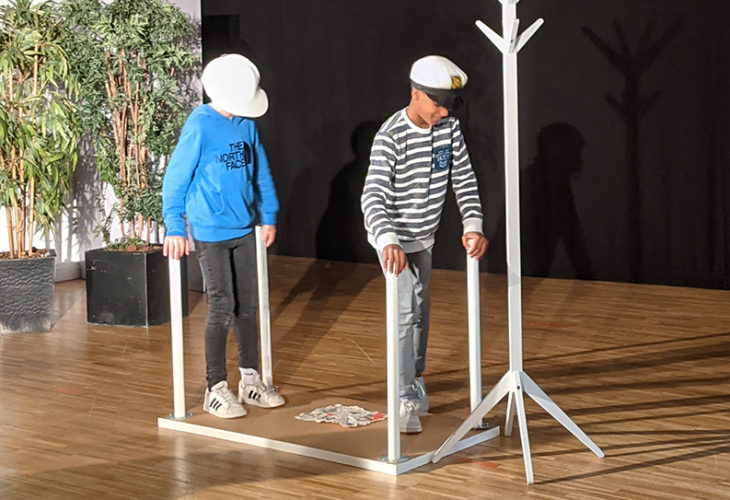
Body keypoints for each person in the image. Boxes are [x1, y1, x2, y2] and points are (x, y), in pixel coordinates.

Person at [361, 55, 488, 433]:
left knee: (420, 310)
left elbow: (463, 178)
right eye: (437, 104)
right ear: (415, 94)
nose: (444, 112)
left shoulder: (449, 129)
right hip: (393, 241)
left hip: (423, 236)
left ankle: (415, 378)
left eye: (448, 105)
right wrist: (387, 240)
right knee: (402, 314)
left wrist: (473, 223)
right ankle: (401, 396)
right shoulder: (390, 136)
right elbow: (373, 196)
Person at [162, 54, 284, 419]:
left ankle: (249, 379)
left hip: (244, 227)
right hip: (210, 231)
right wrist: (174, 225)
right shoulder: (200, 125)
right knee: (221, 306)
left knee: (248, 305)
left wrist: (269, 215)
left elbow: (260, 171)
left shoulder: (246, 124)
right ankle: (215, 387)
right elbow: (176, 178)